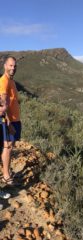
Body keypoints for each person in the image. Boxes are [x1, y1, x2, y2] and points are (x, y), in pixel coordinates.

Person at [0, 55, 21, 192]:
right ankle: (6, 176)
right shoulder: (4, 81)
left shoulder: (11, 81)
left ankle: (6, 173)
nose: (13, 68)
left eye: (14, 66)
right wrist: (8, 122)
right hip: (10, 121)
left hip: (15, 119)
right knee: (7, 148)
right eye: (10, 65)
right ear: (5, 66)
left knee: (10, 147)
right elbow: (3, 102)